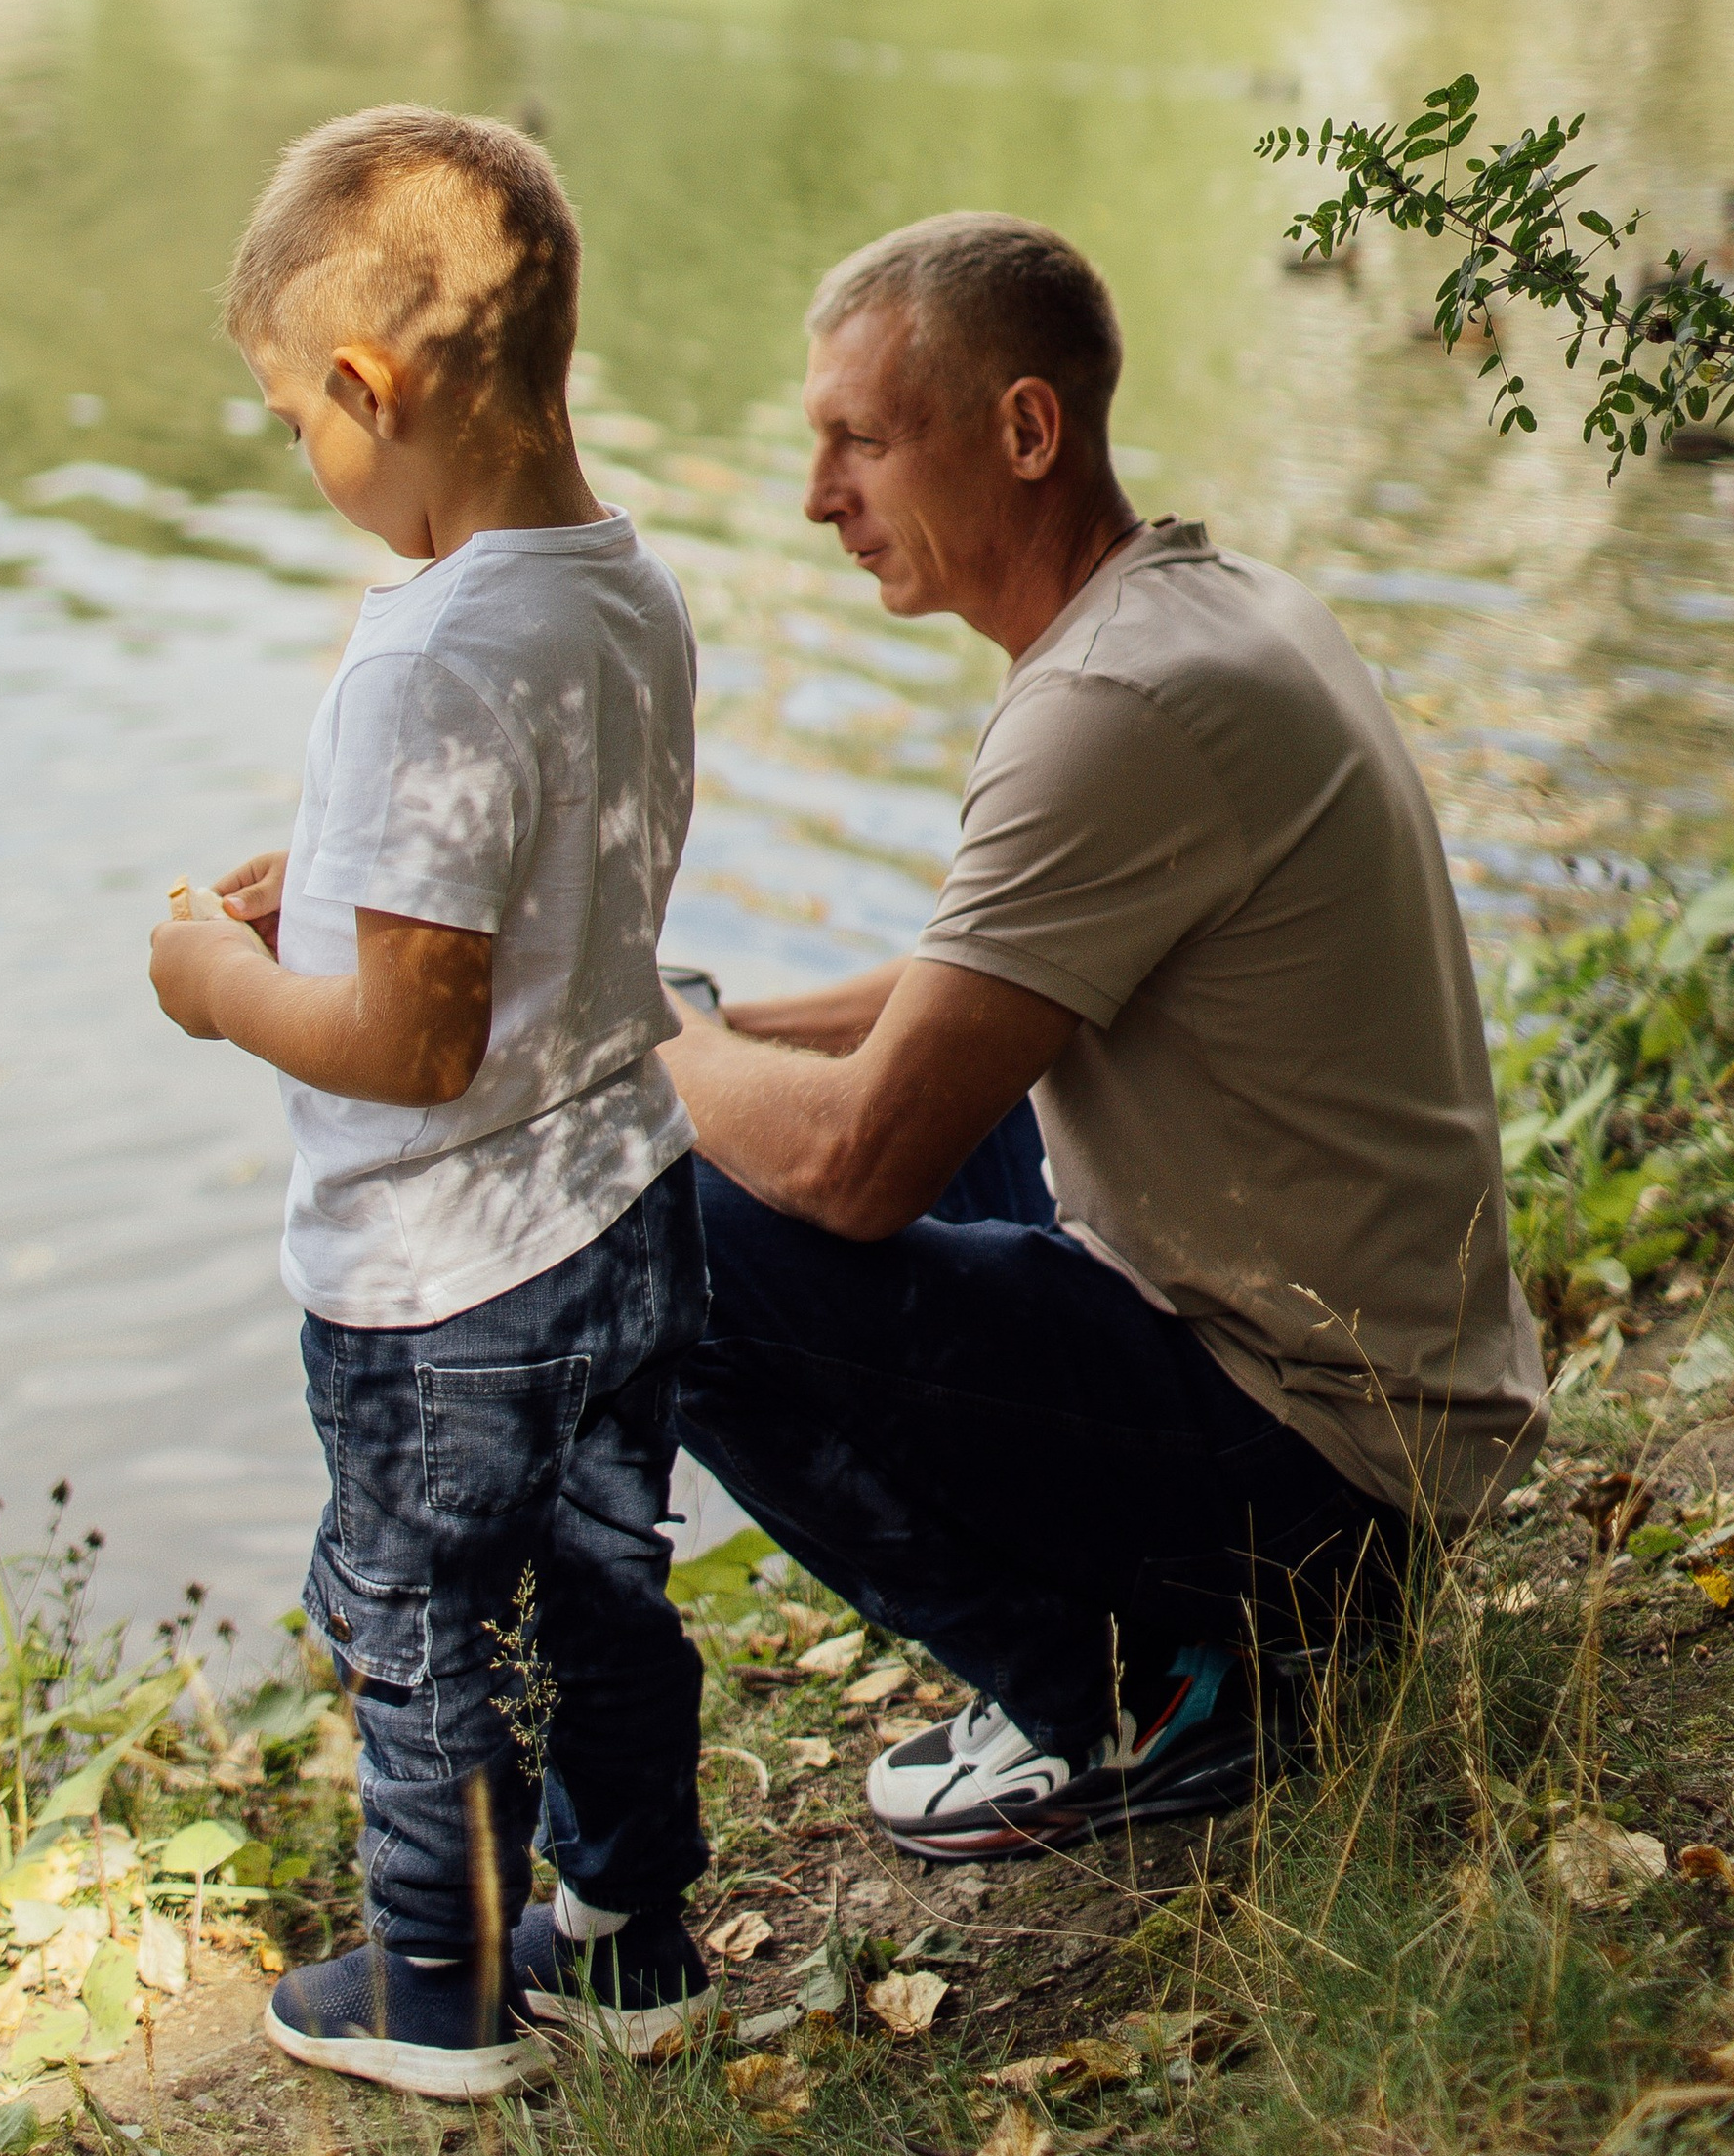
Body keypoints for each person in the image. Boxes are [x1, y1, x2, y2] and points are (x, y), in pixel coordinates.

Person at [662, 211, 1548, 1873]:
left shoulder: (1108, 709)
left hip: (1321, 1466)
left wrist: (628, 1043)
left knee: (670, 1230)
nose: (818, 495)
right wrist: (715, 1016)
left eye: (860, 437)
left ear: (1023, 430)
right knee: (750, 1119)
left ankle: (1141, 1694)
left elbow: (857, 1167)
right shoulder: (1191, 614)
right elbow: (978, 983)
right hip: (1362, 1396)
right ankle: (1185, 1648)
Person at [148, 106, 712, 2098]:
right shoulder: (620, 590)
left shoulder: (433, 656)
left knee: (413, 1626)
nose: (305, 456)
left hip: (445, 1280)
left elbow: (413, 1048)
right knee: (606, 1597)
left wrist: (224, 987)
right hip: (626, 1212)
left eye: (298, 411)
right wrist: (343, 869)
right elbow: (547, 872)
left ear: (369, 386)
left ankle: (440, 1991)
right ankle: (632, 1946)